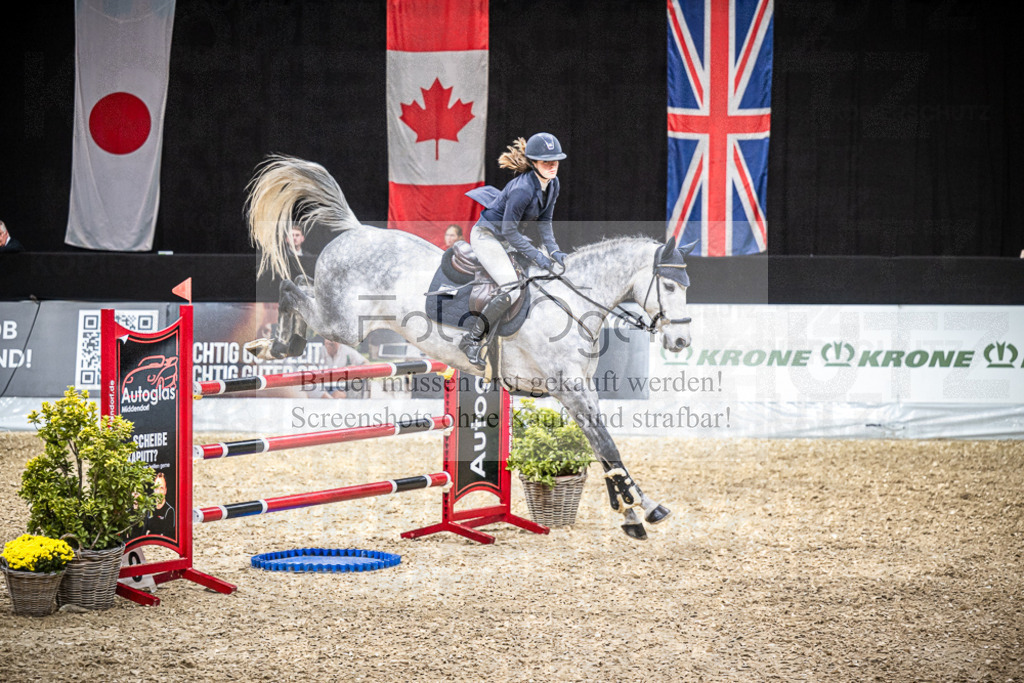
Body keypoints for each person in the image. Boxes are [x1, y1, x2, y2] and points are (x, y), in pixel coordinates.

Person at [459, 132, 568, 368]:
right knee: (512, 289)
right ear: (534, 163)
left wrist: (554, 251)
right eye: (546, 162)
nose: (552, 166)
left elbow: (545, 222)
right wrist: (538, 255)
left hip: (509, 238)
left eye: (555, 161)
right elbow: (509, 232)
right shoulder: (522, 189)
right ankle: (472, 339)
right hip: (488, 236)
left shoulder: (553, 184)